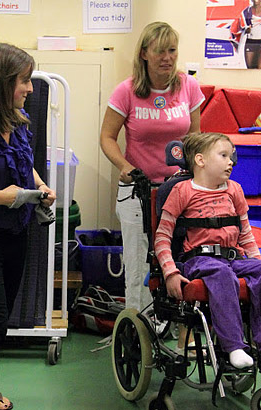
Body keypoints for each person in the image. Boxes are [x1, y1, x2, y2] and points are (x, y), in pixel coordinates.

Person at [100, 21, 205, 314]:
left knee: (178, 257)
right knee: (138, 264)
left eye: (172, 50)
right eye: (160, 51)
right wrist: (124, 165)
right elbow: (107, 137)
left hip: (179, 189)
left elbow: (195, 139)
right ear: (145, 53)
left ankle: (173, 322)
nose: (167, 58)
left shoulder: (189, 86)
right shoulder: (127, 90)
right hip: (139, 191)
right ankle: (140, 329)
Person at [154, 131, 261, 369]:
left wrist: (255, 262)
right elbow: (162, 236)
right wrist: (169, 272)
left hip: (233, 257)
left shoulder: (234, 190)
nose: (231, 161)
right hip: (199, 260)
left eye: (231, 156)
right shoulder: (182, 191)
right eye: (223, 155)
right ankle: (234, 346)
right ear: (201, 160)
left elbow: (245, 234)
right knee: (221, 274)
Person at [0, 43, 56, 410]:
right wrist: (2, 196)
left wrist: (39, 186)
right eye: (24, 81)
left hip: (15, 233)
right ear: (0, 82)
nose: (30, 89)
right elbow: (0, 190)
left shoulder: (18, 123)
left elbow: (23, 163)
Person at [230, 0, 261, 68]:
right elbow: (238, 27)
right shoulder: (246, 11)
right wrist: (246, 29)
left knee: (259, 69)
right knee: (250, 68)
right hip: (251, 42)